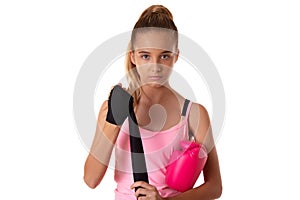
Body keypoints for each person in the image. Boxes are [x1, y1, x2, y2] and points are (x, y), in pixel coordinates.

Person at [84, 5, 222, 200]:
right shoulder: (111, 108)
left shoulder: (194, 114)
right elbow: (90, 179)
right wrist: (115, 121)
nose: (155, 67)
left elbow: (215, 187)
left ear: (176, 57)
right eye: (145, 56)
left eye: (164, 56)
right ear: (133, 57)